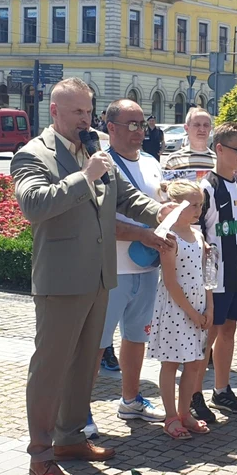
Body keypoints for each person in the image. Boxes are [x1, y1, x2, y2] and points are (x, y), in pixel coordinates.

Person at [10, 78, 175, 475]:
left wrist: (159, 211)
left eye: (88, 111)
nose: (85, 120)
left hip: (100, 276)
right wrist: (84, 176)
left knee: (85, 364)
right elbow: (34, 205)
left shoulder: (93, 150)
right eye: (76, 112)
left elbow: (123, 196)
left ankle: (70, 437)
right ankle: (40, 450)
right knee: (51, 366)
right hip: (61, 279)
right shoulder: (32, 155)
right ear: (54, 113)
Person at [85, 99, 167, 440]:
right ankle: (81, 411)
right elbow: (100, 220)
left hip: (146, 268)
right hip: (110, 269)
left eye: (143, 125)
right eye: (131, 125)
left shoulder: (151, 162)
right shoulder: (102, 164)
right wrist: (143, 234)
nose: (139, 132)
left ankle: (130, 399)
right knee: (95, 344)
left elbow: (158, 208)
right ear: (111, 127)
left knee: (137, 337)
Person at [190, 122, 237, 424]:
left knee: (229, 330)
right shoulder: (207, 188)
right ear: (219, 149)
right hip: (215, 277)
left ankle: (221, 389)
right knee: (208, 335)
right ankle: (193, 394)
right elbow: (195, 228)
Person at [148, 180, 214, 439]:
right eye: (193, 205)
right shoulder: (171, 238)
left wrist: (209, 306)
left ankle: (185, 412)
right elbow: (171, 281)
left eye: (200, 204)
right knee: (172, 362)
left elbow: (207, 273)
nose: (198, 210)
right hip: (178, 309)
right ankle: (171, 416)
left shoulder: (198, 235)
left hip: (198, 306)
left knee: (196, 363)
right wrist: (192, 312)